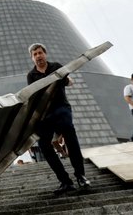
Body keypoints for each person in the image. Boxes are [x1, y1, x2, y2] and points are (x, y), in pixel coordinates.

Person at [26, 43, 91, 195]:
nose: (38, 56)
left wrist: (66, 80)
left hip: (61, 109)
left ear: (45, 54)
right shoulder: (31, 75)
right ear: (32, 58)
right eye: (35, 54)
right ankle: (65, 181)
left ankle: (80, 176)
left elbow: (69, 82)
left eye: (40, 53)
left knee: (70, 137)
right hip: (45, 115)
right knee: (44, 144)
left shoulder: (56, 66)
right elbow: (34, 96)